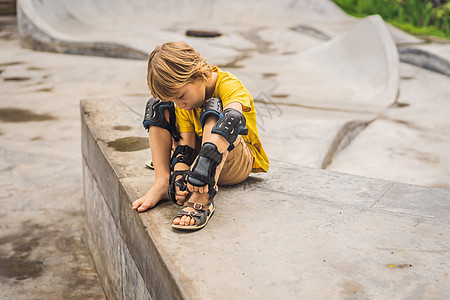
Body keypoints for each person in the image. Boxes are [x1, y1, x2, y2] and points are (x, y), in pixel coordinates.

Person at [132, 41, 269, 231]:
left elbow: (234, 118)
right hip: (197, 160)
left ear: (198, 75)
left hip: (234, 159)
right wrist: (180, 176)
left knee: (216, 109)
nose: (179, 104)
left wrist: (204, 166)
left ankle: (203, 196)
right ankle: (162, 182)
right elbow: (186, 147)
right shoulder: (184, 102)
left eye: (180, 96)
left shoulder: (228, 84)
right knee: (157, 106)